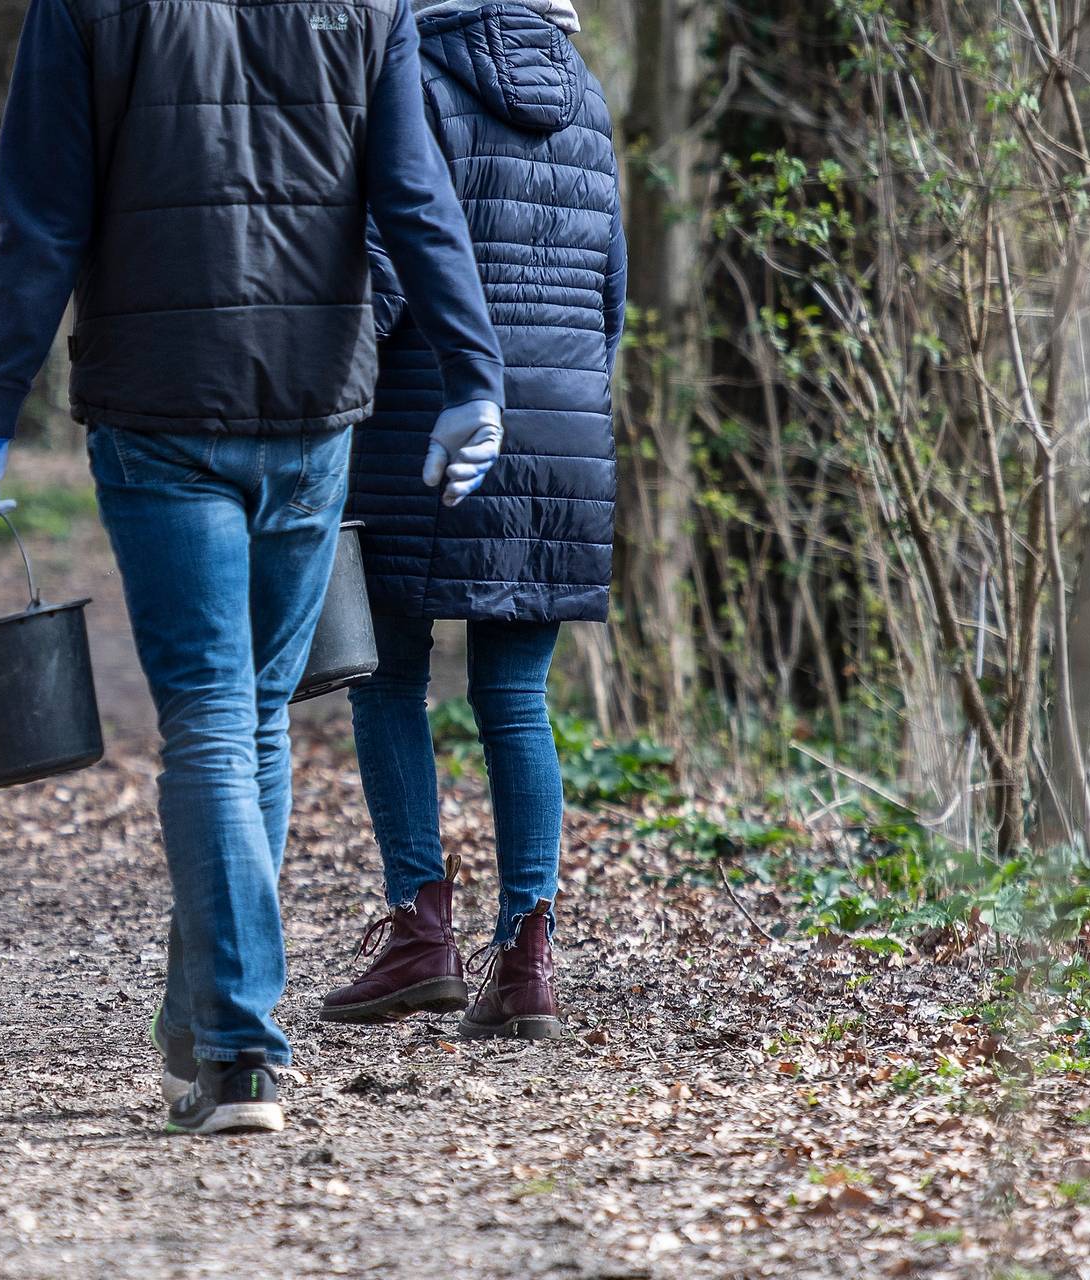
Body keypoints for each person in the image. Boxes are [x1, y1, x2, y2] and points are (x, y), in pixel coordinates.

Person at [0, 0, 508, 1134]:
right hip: (311, 405)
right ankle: (209, 1019)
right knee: (250, 711)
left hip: (160, 400)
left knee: (214, 712)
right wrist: (474, 373)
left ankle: (242, 1048)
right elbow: (412, 194)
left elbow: (43, 218)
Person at [319, 0, 622, 1041]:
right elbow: (610, 293)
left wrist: (325, 384)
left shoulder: (414, 74)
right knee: (515, 694)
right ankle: (527, 958)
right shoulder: (588, 98)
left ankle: (421, 932)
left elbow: (391, 269)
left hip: (426, 417)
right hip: (562, 434)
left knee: (388, 675)